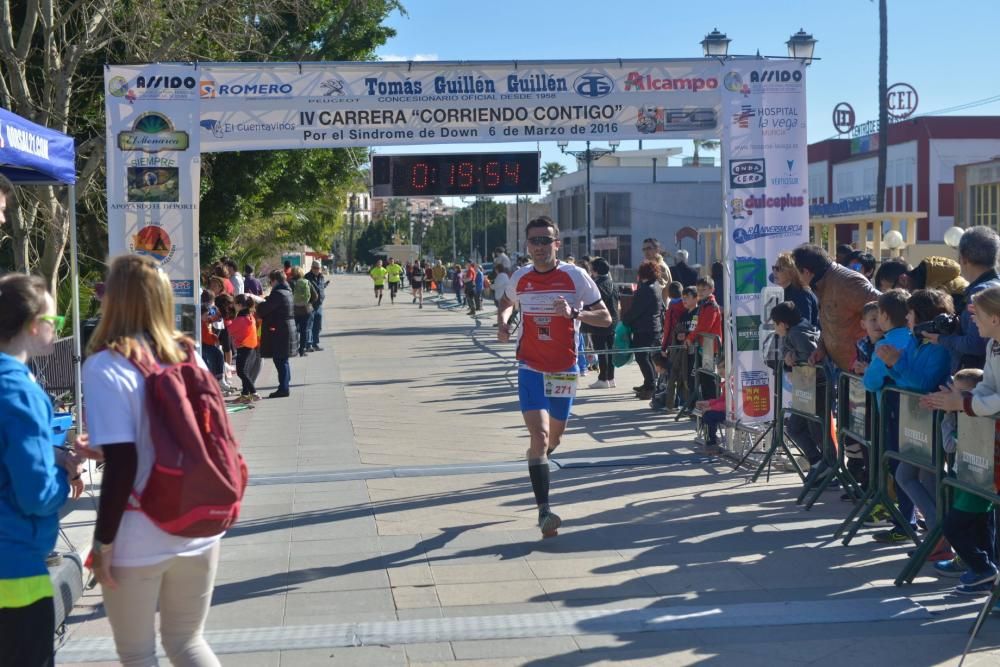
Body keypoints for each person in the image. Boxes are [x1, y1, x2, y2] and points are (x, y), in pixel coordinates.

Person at [80, 255, 225, 665]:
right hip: (198, 523)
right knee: (188, 642)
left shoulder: (106, 365)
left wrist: (102, 542)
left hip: (138, 531)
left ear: (114, 300)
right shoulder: (187, 355)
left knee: (137, 654)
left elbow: (124, 463)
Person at [496, 216, 611, 538]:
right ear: (527, 245)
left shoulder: (576, 276)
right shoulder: (520, 277)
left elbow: (605, 317)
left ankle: (537, 461)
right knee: (541, 437)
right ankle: (544, 511)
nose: (540, 246)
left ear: (556, 244)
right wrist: (503, 323)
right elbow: (505, 303)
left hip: (565, 368)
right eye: (534, 241)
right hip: (530, 366)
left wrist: (576, 314)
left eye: (546, 240)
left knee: (555, 439)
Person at [0, 273, 81, 667]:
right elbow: (35, 496)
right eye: (55, 322)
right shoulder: (20, 391)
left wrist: (48, 452)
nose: (56, 329)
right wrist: (65, 478)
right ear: (34, 326)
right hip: (14, 576)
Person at [923, 285, 1000, 592]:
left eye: (977, 315)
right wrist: (961, 397)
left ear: (995, 317)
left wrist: (964, 404)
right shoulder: (994, 343)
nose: (972, 323)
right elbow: (989, 386)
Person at [874, 289, 954, 555]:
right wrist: (891, 364)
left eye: (909, 313)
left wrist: (895, 362)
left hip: (931, 421)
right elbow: (903, 378)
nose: (906, 318)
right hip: (916, 421)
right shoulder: (914, 341)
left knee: (915, 476)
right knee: (910, 475)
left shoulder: (940, 347)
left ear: (920, 314)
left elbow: (923, 384)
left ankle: (939, 535)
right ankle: (937, 534)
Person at [793, 244, 880, 372]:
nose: (798, 278)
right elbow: (833, 322)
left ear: (806, 272)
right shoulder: (823, 284)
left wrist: (874, 365)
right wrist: (822, 347)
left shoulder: (847, 282)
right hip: (843, 370)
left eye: (797, 273)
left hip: (861, 372)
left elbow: (888, 306)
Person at [930, 226, 1000, 371]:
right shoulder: (995, 286)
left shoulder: (979, 293)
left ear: (964, 259)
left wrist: (941, 339)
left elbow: (974, 344)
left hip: (974, 381)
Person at [771, 301, 824, 482]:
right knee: (795, 427)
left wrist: (794, 360)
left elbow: (811, 356)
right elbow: (788, 350)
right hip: (805, 389)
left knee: (816, 431)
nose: (773, 327)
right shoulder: (797, 329)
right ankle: (817, 462)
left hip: (814, 387)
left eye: (775, 323)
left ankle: (826, 468)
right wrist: (788, 356)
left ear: (783, 324)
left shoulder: (797, 333)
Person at [622, 260, 663, 400]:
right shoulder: (655, 286)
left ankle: (651, 386)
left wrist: (625, 320)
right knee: (646, 357)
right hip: (652, 327)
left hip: (644, 328)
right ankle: (648, 383)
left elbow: (636, 310)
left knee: (642, 357)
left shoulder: (646, 289)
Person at [257, 269, 296, 398]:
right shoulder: (287, 291)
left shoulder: (278, 293)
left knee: (280, 359)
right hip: (286, 328)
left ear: (275, 280)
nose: (270, 284)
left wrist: (260, 303)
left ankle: (284, 388)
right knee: (283, 359)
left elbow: (265, 310)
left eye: (270, 281)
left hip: (280, 330)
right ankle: (285, 385)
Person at [583, 257, 619, 389]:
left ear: (595, 270)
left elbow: (592, 304)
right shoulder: (611, 282)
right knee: (609, 350)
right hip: (614, 320)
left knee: (602, 350)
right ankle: (611, 378)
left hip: (600, 321)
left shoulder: (596, 285)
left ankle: (603, 378)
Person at [660, 282, 689, 410]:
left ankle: (671, 404)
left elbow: (667, 329)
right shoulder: (687, 305)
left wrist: (664, 346)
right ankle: (683, 402)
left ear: (669, 295)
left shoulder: (672, 307)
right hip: (688, 343)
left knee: (673, 374)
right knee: (684, 373)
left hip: (674, 344)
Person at [772, 252, 819, 328]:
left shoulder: (802, 294)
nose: (774, 272)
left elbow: (804, 328)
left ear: (791, 272)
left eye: (778, 269)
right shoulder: (781, 293)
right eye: (773, 268)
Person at [230, 294, 262, 403]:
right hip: (251, 346)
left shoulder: (240, 318)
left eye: (234, 303)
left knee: (241, 372)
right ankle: (244, 394)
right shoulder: (250, 315)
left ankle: (254, 393)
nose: (233, 306)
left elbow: (230, 330)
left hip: (244, 347)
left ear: (239, 305)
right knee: (245, 371)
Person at [289, 266, 318, 357]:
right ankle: (302, 350)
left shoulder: (289, 283)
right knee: (304, 330)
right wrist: (308, 303)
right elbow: (315, 296)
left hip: (294, 310)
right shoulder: (306, 282)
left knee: (293, 330)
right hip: (306, 310)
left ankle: (292, 349)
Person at [304, 261, 327, 351]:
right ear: (312, 268)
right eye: (315, 268)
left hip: (319, 305)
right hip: (310, 304)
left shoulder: (321, 277)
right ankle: (308, 344)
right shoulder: (307, 277)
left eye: (318, 268)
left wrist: (325, 286)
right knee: (309, 324)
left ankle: (315, 343)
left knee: (317, 325)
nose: (317, 270)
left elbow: (320, 287)